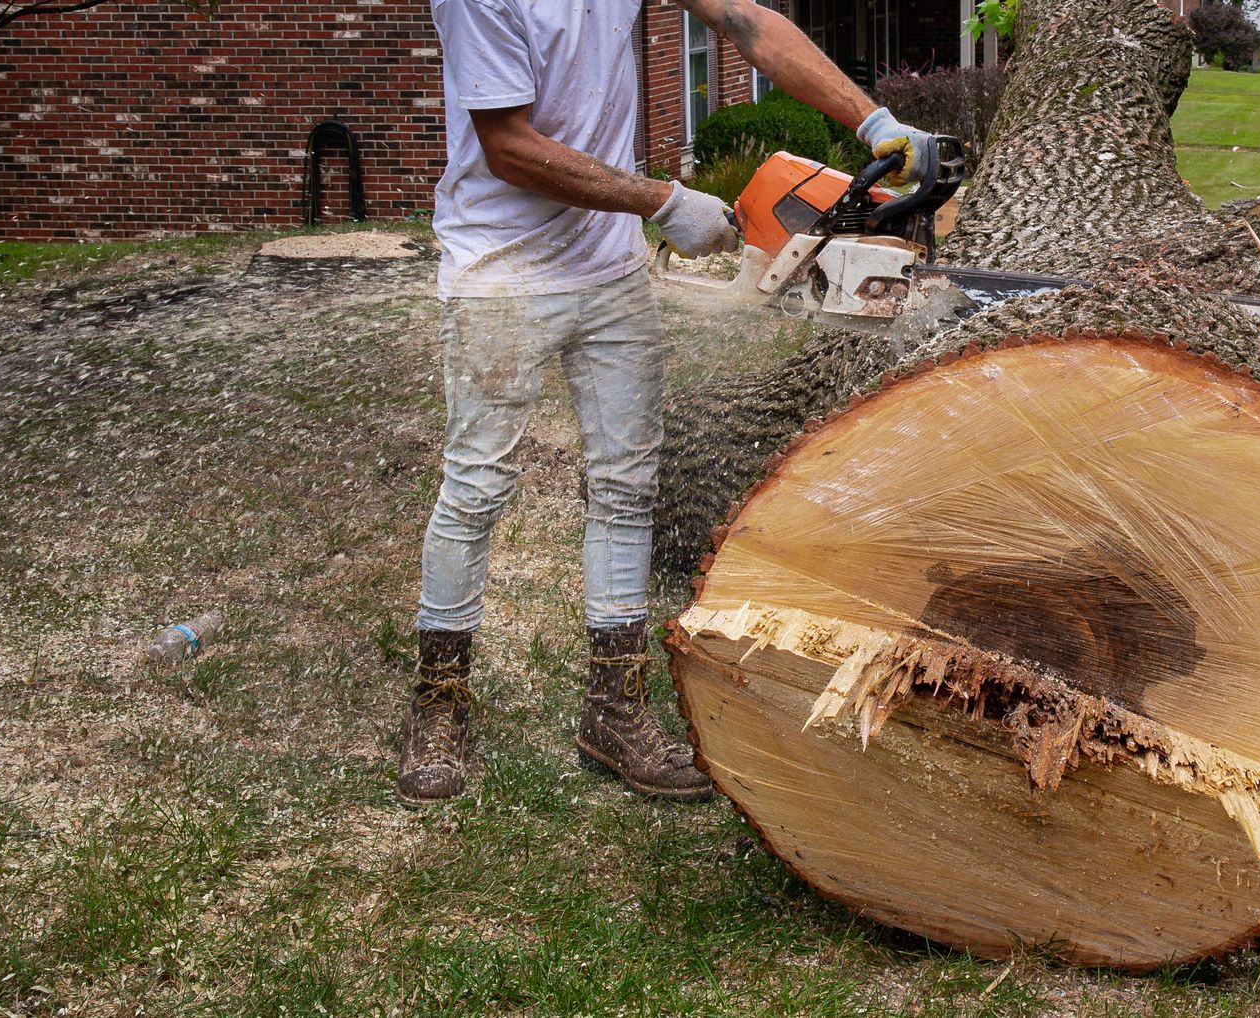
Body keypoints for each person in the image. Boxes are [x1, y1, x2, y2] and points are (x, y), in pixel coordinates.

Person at [400, 0, 936, 807]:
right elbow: (507, 146)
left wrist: (874, 121)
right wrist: (663, 201)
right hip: (498, 271)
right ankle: (439, 700)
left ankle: (613, 709)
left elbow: (747, 20)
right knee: (477, 484)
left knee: (626, 485)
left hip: (611, 271)